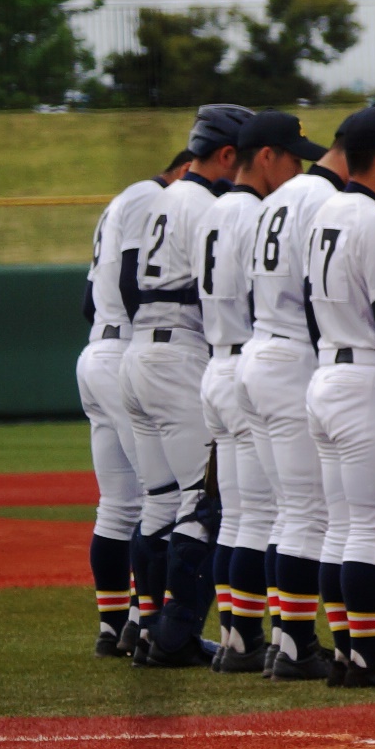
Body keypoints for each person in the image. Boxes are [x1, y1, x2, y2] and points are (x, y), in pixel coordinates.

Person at [124, 104, 250, 665]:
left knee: (159, 503)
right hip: (178, 353)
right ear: (226, 155)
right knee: (202, 502)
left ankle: (144, 628)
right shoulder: (207, 205)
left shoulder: (161, 196)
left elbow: (129, 282)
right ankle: (174, 636)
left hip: (138, 350)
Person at [303, 103, 375, 685]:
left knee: (340, 524)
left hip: (325, 371)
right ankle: (366, 656)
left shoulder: (324, 210)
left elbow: (305, 304)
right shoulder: (374, 220)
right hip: (365, 373)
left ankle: (348, 648)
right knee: (371, 527)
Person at [199, 120, 306, 672]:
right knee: (274, 513)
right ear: (266, 157)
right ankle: (285, 639)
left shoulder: (213, 210)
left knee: (241, 514)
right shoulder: (256, 213)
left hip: (218, 363)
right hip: (251, 358)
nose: (298, 171)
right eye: (292, 159)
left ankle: (238, 636)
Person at [242, 119, 346, 678]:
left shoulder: (278, 199)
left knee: (289, 510)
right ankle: (297, 646)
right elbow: (316, 291)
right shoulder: (324, 198)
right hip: (289, 356)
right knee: (308, 510)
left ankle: (287, 638)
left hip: (256, 348)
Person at [79, 152, 184, 655]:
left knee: (118, 505)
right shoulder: (152, 197)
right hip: (123, 351)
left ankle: (112, 625)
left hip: (99, 347)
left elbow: (86, 302)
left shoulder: (124, 198)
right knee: (157, 496)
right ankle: (144, 623)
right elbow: (130, 280)